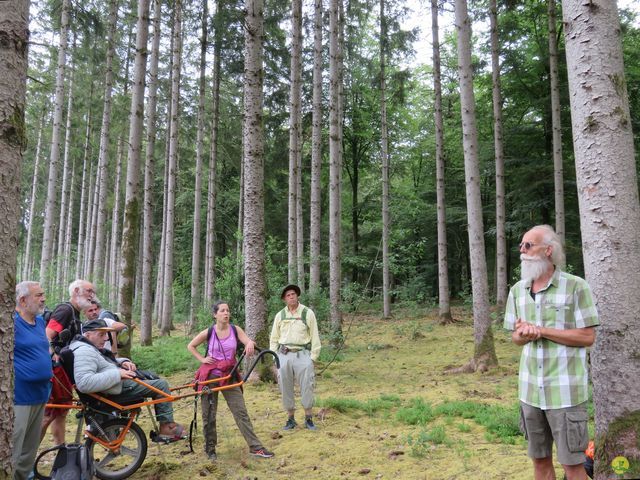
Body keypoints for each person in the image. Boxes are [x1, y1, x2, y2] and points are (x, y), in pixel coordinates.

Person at [504, 225, 599, 480]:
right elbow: (514, 338)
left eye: (528, 245)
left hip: (565, 394)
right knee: (540, 463)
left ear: (548, 250)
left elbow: (587, 336)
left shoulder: (576, 287)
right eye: (521, 246)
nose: (522, 251)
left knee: (573, 467)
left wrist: (542, 331)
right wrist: (522, 335)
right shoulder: (518, 291)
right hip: (530, 393)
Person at [70, 319, 186, 441]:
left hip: (113, 386)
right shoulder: (84, 352)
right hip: (114, 390)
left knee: (152, 378)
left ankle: (167, 425)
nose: (105, 339)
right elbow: (84, 383)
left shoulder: (87, 347)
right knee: (161, 385)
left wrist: (123, 362)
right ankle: (167, 428)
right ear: (88, 335)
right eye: (101, 334)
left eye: (105, 334)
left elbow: (102, 364)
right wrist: (118, 374)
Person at [187, 301, 274, 460]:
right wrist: (202, 359)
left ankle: (256, 447)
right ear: (215, 315)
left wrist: (249, 344)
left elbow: (249, 341)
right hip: (210, 375)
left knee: (240, 411)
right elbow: (191, 345)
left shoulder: (235, 329)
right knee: (209, 414)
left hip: (230, 375)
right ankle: (210, 449)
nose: (226, 313)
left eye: (227, 310)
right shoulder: (208, 332)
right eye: (222, 311)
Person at [42, 279, 97, 445]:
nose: (91, 295)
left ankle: (60, 450)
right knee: (49, 414)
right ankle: (26, 461)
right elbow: (47, 335)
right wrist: (53, 357)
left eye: (92, 292)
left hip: (64, 371)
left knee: (61, 412)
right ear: (76, 291)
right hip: (55, 371)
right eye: (89, 291)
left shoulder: (75, 313)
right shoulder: (65, 310)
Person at [13, 281, 52, 480]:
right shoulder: (10, 323)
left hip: (41, 393)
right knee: (14, 446)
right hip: (19, 396)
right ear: (22, 300)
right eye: (38, 295)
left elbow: (42, 348)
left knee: (29, 449)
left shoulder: (40, 322)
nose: (43, 298)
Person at [269, 284, 321, 431]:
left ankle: (308, 418)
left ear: (297, 296)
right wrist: (275, 356)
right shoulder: (280, 315)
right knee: (285, 386)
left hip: (303, 354)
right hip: (284, 355)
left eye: (293, 294)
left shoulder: (307, 313)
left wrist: (313, 357)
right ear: (284, 299)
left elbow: (315, 335)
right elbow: (274, 338)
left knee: (307, 385)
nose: (291, 297)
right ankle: (290, 419)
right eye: (288, 295)